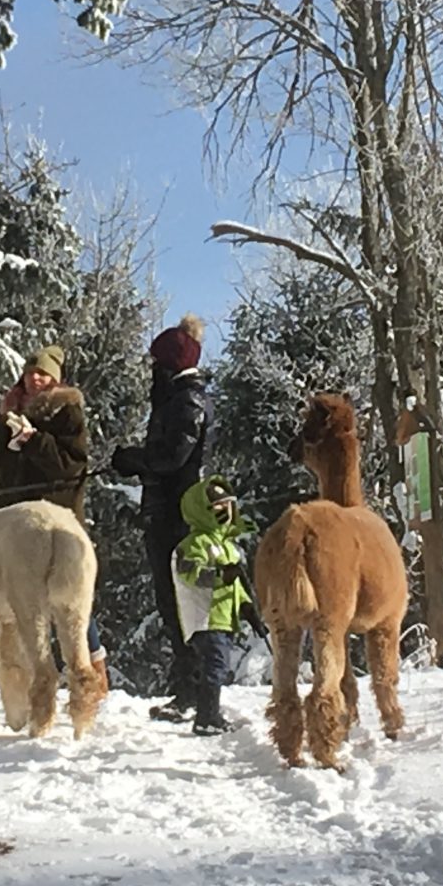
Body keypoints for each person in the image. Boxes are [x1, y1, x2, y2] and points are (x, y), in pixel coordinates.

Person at [0, 345, 108, 691]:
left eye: (43, 374)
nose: (35, 379)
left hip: (57, 516)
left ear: (54, 379)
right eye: (31, 372)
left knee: (73, 598)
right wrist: (2, 422)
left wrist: (34, 441)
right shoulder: (11, 411)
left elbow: (71, 466)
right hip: (14, 520)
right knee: (22, 600)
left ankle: (94, 671)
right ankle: (30, 677)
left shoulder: (68, 413)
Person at [108, 314, 210, 722]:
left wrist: (134, 460)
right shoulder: (177, 399)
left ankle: (196, 690)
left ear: (169, 365)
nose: (151, 372)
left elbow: (173, 457)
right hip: (167, 512)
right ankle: (188, 687)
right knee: (173, 603)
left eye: (155, 364)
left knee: (182, 602)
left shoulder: (188, 401)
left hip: (179, 517)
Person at [172, 475, 257, 736]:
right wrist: (220, 575)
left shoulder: (227, 547)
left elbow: (236, 584)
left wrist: (246, 606)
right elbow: (190, 574)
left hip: (224, 618)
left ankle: (204, 709)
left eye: (228, 508)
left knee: (213, 666)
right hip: (204, 617)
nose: (225, 514)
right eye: (218, 509)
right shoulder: (193, 545)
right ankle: (207, 717)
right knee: (215, 666)